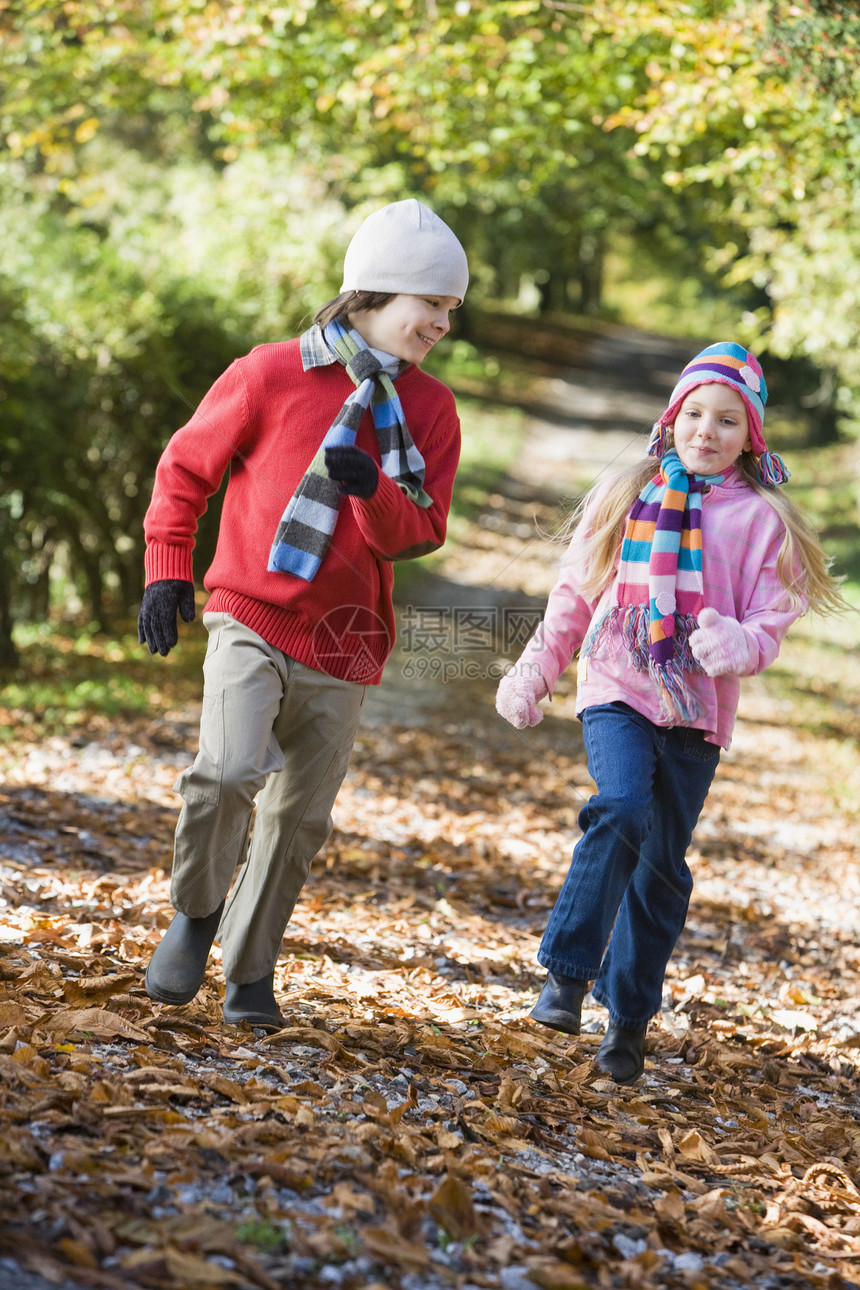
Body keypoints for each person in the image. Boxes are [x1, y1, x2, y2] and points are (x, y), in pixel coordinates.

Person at [138, 198, 468, 1030]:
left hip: (343, 640)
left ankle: (250, 974)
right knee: (226, 772)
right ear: (374, 293)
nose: (441, 324)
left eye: (451, 311)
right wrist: (165, 569)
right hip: (250, 609)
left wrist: (372, 496)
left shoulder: (431, 411)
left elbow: (423, 529)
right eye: (432, 304)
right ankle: (196, 912)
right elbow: (185, 469)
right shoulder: (270, 373)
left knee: (297, 819)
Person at [495, 341, 847, 1083]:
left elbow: (770, 623)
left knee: (661, 869)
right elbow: (574, 594)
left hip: (697, 713)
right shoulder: (628, 493)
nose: (706, 431)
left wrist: (739, 642)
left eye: (726, 420)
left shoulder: (763, 522)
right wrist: (536, 667)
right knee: (620, 807)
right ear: (672, 417)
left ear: (750, 435)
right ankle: (565, 974)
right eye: (694, 413)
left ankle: (627, 1021)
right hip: (619, 683)